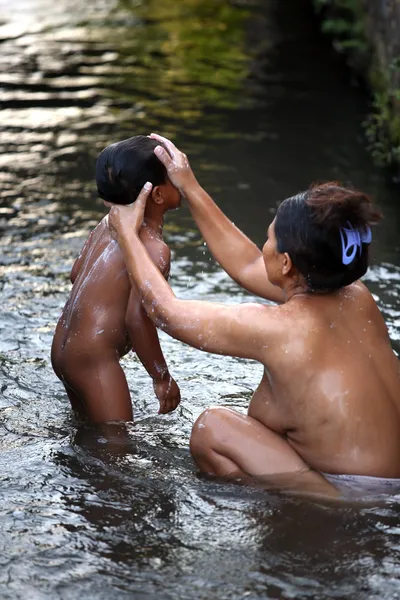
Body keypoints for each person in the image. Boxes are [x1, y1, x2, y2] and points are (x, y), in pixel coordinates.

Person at [106, 133, 400, 497]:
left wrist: (127, 236)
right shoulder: (358, 297)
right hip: (387, 476)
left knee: (213, 429)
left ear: (288, 264)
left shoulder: (281, 328)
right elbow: (247, 263)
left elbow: (167, 312)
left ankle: (307, 511)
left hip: (356, 497)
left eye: (270, 239)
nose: (263, 249)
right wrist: (189, 184)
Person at [51, 135, 181, 423]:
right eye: (175, 176)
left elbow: (76, 273)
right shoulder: (155, 250)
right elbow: (138, 320)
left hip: (63, 347)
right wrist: (161, 377)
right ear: (158, 195)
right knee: (115, 449)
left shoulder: (108, 223)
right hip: (94, 358)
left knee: (86, 433)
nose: (182, 178)